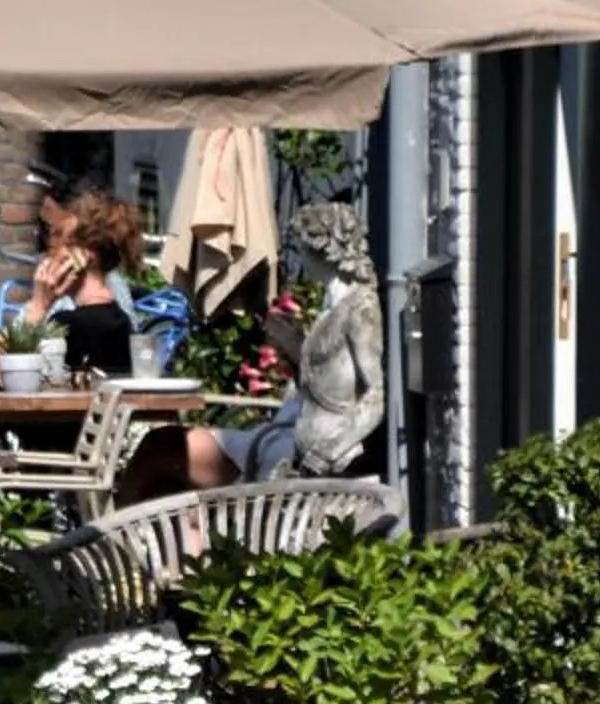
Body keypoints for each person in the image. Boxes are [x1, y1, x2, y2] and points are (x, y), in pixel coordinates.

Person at [112, 202, 386, 502]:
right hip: (289, 432)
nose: (302, 261)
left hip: (307, 450)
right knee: (165, 468)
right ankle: (141, 543)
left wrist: (330, 450)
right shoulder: (330, 304)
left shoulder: (360, 309)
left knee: (163, 448)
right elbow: (320, 378)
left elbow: (374, 396)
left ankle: (108, 538)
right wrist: (290, 348)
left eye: (303, 249)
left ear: (324, 249)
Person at [23, 189, 143, 379]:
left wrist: (39, 305)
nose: (50, 252)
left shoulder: (67, 325)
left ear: (86, 256)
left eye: (59, 239)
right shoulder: (121, 320)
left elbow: (16, 375)